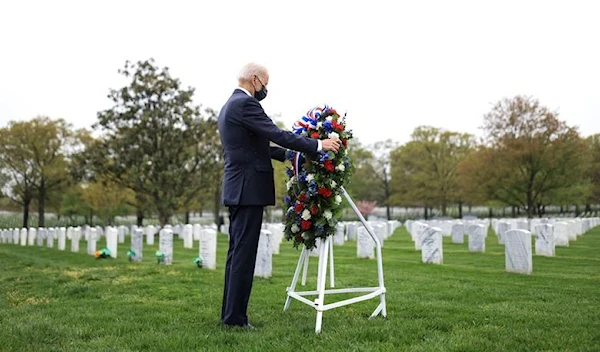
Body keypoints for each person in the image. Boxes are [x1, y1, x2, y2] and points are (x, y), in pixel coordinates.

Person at [217, 63, 341, 328]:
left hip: (237, 188)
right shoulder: (246, 105)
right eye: (265, 83)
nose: (266, 89)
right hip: (248, 190)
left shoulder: (229, 105)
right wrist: (318, 145)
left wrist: (291, 155)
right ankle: (236, 320)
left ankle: (230, 316)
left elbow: (255, 146)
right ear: (255, 80)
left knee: (236, 254)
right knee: (243, 255)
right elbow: (276, 133)